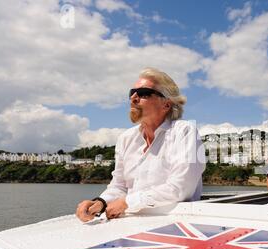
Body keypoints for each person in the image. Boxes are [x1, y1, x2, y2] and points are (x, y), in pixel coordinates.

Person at [75, 67, 205, 222]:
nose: (133, 98)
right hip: (129, 222)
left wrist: (127, 202)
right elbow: (119, 186)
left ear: (166, 104)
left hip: (175, 224)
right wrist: (100, 203)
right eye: (132, 93)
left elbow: (182, 188)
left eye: (143, 93)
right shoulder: (126, 138)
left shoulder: (184, 131)